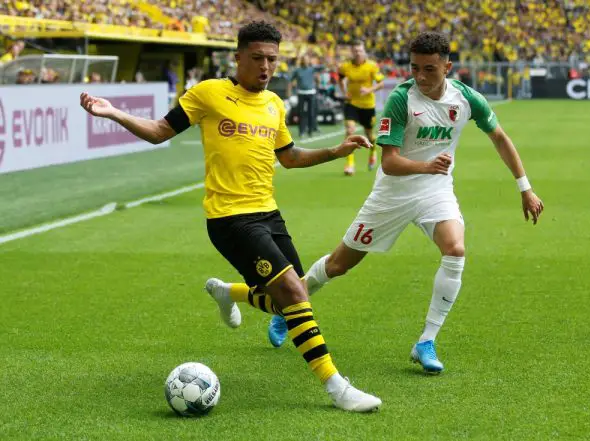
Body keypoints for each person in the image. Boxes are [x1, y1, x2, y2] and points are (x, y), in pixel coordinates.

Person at [79, 21, 381, 413]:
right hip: (229, 218)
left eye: (272, 59)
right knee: (293, 292)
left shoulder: (274, 104)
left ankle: (228, 292)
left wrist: (335, 152)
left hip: (268, 213)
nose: (265, 66)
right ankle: (337, 387)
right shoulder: (209, 93)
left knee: (292, 300)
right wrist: (113, 112)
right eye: (257, 58)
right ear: (237, 57)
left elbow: (289, 158)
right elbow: (158, 131)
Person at [265, 31, 545, 372]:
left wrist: (525, 188)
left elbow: (499, 137)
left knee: (455, 249)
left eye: (429, 69)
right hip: (392, 193)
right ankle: (288, 308)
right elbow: (389, 163)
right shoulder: (401, 99)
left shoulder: (466, 99)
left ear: (447, 67)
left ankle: (426, 341)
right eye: (414, 68)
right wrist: (427, 166)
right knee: (339, 265)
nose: (420, 76)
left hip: (435, 191)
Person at [338, 40, 385, 176]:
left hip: (367, 105)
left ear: (364, 51)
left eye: (360, 50)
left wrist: (369, 89)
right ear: (352, 52)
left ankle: (373, 150)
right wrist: (344, 92)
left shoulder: (372, 66)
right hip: (352, 103)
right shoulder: (345, 66)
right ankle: (350, 164)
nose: (358, 53)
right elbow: (340, 78)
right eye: (355, 51)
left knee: (370, 135)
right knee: (350, 130)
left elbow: (381, 83)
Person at [288, 53, 322, 139]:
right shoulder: (297, 70)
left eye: (307, 59)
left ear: (309, 60)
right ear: (302, 61)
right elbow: (290, 81)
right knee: (301, 113)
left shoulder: (312, 69)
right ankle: (301, 131)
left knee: (311, 112)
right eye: (304, 59)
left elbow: (322, 68)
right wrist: (289, 93)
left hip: (311, 93)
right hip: (301, 93)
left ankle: (310, 131)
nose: (305, 61)